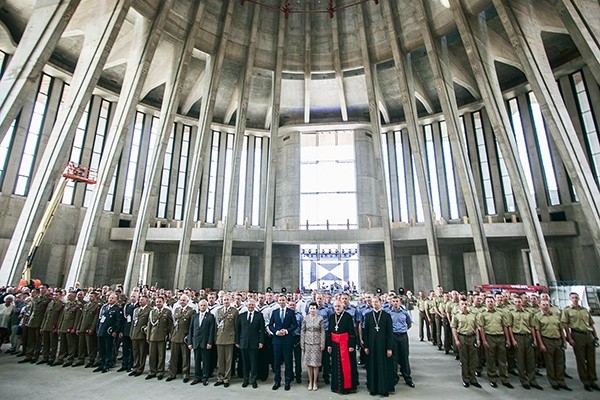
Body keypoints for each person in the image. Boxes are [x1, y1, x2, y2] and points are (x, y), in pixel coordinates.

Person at [562, 292, 599, 392]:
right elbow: (565, 325)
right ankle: (585, 382)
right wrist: (569, 338)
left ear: (579, 299)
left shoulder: (584, 310)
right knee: (581, 360)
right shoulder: (567, 311)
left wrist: (595, 337)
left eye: (576, 297)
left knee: (591, 359)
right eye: (573, 298)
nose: (575, 299)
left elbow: (591, 324)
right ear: (570, 299)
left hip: (588, 335)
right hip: (577, 335)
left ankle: (593, 380)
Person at [534, 299, 571, 391]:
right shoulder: (537, 317)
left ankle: (561, 381)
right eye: (543, 304)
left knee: (560, 362)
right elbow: (537, 331)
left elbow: (560, 329)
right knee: (550, 363)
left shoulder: (555, 316)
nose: (546, 306)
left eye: (547, 304)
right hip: (547, 340)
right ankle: (553, 382)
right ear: (540, 306)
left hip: (558, 340)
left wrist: (564, 341)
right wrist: (541, 344)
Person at [507, 296, 542, 390]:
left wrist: (534, 339)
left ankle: (532, 380)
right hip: (518, 336)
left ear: (522, 302)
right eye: (516, 302)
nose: (518, 303)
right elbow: (509, 327)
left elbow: (532, 326)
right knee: (520, 359)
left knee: (530, 360)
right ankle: (524, 380)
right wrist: (513, 339)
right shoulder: (511, 313)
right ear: (514, 303)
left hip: (528, 336)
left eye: (519, 301)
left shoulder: (529, 313)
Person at [478, 296, 513, 389]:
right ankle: (492, 378)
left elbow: (505, 326)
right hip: (489, 337)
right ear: (485, 303)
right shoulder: (483, 314)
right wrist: (484, 340)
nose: (490, 303)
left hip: (500, 337)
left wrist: (508, 339)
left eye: (491, 301)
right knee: (491, 359)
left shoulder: (500, 313)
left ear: (494, 303)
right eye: (488, 301)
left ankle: (504, 379)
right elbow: (481, 328)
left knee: (502, 359)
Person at [364, 296, 395, 397]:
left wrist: (389, 348)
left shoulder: (386, 315)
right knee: (372, 366)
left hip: (383, 345)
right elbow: (366, 332)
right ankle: (373, 388)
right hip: (372, 346)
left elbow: (390, 333)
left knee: (383, 367)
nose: (374, 304)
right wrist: (366, 346)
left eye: (376, 302)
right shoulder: (368, 315)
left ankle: (383, 389)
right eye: (373, 302)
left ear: (380, 302)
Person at [327, 299, 358, 394]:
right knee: (336, 366)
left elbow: (352, 332)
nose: (337, 308)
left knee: (347, 366)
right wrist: (329, 344)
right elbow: (329, 332)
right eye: (336, 306)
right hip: (335, 344)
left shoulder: (347, 316)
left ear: (342, 307)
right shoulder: (332, 317)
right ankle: (336, 386)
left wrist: (352, 345)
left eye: (339, 306)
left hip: (346, 344)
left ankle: (347, 387)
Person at [268, 294, 298, 391]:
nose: (281, 302)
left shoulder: (291, 312)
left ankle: (287, 381)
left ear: (286, 301)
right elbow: (270, 325)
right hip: (277, 340)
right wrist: (276, 332)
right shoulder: (275, 312)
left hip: (287, 340)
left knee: (288, 361)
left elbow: (295, 325)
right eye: (280, 300)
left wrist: (287, 331)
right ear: (278, 301)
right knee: (276, 362)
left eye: (283, 300)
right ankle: (277, 381)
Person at [451, 299, 482, 388]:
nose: (464, 305)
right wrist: (456, 340)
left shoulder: (473, 315)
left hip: (472, 337)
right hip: (462, 337)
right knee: (464, 359)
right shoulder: (456, 315)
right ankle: (466, 379)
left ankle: (473, 379)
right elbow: (454, 328)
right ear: (459, 305)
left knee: (473, 359)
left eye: (466, 304)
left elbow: (476, 328)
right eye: (462, 304)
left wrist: (478, 339)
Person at [235, 298, 265, 388]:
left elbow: (262, 330)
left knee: (254, 363)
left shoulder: (259, 315)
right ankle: (246, 380)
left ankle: (254, 380)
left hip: (254, 343)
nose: (251, 306)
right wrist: (237, 341)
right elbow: (238, 330)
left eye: (252, 305)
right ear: (246, 305)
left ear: (254, 305)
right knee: (245, 363)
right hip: (243, 342)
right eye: (249, 305)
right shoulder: (241, 316)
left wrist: (261, 341)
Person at [387, 295, 414, 388]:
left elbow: (409, 324)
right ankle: (394, 378)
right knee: (394, 358)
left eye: (397, 301)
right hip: (393, 336)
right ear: (391, 302)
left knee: (405, 357)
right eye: (393, 301)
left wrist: (403, 330)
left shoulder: (405, 312)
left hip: (403, 335)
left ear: (400, 302)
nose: (395, 303)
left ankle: (408, 378)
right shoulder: (388, 313)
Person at [167, 294, 195, 382]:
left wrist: (190, 337)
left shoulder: (191, 311)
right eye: (181, 300)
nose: (182, 301)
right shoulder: (176, 310)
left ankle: (185, 374)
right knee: (173, 356)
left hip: (184, 336)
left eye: (184, 300)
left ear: (187, 301)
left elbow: (192, 326)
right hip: (175, 336)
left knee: (185, 357)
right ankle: (172, 373)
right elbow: (173, 323)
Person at [188, 299, 216, 386]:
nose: (202, 307)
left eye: (204, 305)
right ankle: (197, 377)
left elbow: (212, 331)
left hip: (205, 342)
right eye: (201, 305)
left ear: (206, 306)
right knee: (196, 360)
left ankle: (205, 377)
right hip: (196, 342)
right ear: (199, 307)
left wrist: (210, 342)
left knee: (206, 361)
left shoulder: (210, 316)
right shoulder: (194, 316)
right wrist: (190, 342)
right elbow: (191, 330)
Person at [145, 296, 173, 380]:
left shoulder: (167, 312)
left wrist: (170, 336)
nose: (158, 303)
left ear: (163, 302)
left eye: (160, 301)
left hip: (162, 336)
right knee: (152, 355)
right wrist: (148, 336)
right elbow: (149, 325)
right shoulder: (152, 312)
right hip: (153, 336)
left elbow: (170, 325)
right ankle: (152, 371)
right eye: (157, 302)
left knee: (161, 355)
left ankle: (160, 371)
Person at [95, 293, 123, 373]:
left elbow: (118, 321)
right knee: (102, 348)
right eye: (110, 298)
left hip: (109, 331)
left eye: (112, 298)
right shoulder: (105, 307)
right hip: (101, 330)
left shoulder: (117, 309)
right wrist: (98, 329)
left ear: (116, 300)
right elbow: (100, 319)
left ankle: (107, 364)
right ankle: (101, 363)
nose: (110, 299)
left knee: (109, 349)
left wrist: (115, 331)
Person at [214, 294, 238, 387]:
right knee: (220, 359)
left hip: (229, 337)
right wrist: (215, 337)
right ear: (222, 301)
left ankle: (227, 379)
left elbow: (236, 326)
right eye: (224, 300)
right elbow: (216, 325)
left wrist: (236, 339)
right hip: (220, 337)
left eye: (227, 300)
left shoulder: (234, 311)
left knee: (228, 360)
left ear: (231, 300)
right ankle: (220, 377)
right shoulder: (218, 311)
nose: (226, 301)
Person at [301, 302, 325, 391]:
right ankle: (310, 381)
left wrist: (322, 343)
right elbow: (302, 331)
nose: (312, 310)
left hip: (317, 343)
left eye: (314, 308)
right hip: (307, 343)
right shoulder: (305, 318)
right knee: (309, 364)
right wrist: (302, 343)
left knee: (315, 364)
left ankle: (315, 382)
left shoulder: (320, 318)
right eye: (311, 308)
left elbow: (322, 332)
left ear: (316, 309)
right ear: (309, 309)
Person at [129, 294, 151, 376]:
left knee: (142, 352)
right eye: (140, 300)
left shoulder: (149, 310)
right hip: (135, 333)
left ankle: (140, 368)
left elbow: (149, 323)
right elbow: (133, 322)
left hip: (142, 334)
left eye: (142, 300)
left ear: (147, 301)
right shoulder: (136, 310)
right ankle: (135, 367)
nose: (140, 301)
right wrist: (131, 333)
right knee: (135, 352)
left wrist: (147, 333)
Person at [118, 292, 138, 373]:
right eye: (131, 296)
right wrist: (121, 330)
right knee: (125, 349)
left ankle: (131, 365)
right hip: (126, 330)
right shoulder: (127, 306)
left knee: (133, 349)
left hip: (134, 330)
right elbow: (123, 319)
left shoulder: (138, 306)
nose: (132, 298)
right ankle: (124, 365)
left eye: (134, 296)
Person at [289, 300, 304, 384]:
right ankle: (290, 375)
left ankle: (298, 375)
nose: (292, 306)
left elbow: (302, 328)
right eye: (290, 305)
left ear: (295, 306)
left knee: (298, 359)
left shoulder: (300, 316)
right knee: (289, 358)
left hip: (297, 338)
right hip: (288, 338)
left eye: (293, 305)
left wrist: (302, 339)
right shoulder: (286, 315)